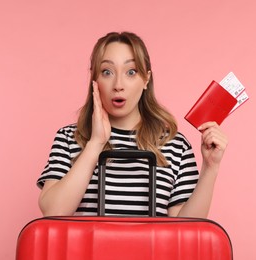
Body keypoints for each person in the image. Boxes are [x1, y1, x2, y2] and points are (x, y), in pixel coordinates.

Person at [37, 31, 228, 217]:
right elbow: (54, 212)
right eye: (107, 72)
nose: (118, 84)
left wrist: (210, 168)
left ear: (146, 79)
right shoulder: (69, 139)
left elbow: (186, 227)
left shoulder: (175, 144)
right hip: (86, 250)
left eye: (131, 72)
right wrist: (95, 143)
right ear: (94, 80)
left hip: (153, 251)